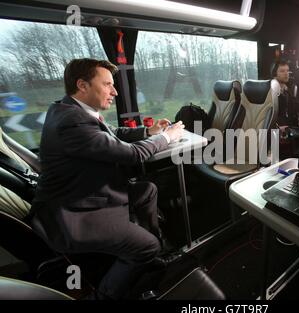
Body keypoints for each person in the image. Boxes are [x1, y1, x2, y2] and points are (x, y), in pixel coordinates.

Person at [30, 58, 184, 300]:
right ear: (83, 85)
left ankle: (152, 252)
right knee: (146, 246)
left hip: (86, 195)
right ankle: (106, 293)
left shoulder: (71, 110)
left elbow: (112, 133)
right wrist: (167, 138)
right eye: (108, 84)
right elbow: (132, 155)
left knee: (147, 191)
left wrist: (149, 132)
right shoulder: (71, 122)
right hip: (75, 214)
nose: (114, 91)